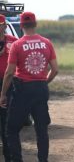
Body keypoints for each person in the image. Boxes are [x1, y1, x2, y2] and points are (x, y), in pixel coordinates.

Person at [0, 12, 58, 162]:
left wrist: (3, 94)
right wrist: (44, 81)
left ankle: (16, 159)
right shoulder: (46, 42)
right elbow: (55, 69)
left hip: (22, 90)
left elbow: (9, 72)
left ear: (21, 25)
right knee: (41, 130)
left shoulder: (17, 44)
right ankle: (43, 160)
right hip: (41, 88)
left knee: (11, 130)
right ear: (35, 24)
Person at [0, 14, 18, 162]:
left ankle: (8, 157)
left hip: (9, 84)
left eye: (0, 25)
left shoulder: (13, 42)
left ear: (5, 26)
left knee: (6, 124)